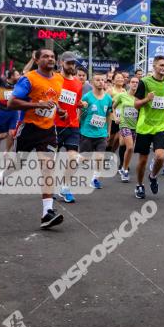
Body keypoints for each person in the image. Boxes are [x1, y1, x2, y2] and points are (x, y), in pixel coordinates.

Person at [7, 48, 66, 229]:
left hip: (47, 130)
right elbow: (11, 103)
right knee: (17, 166)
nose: (50, 59)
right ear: (37, 59)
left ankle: (47, 213)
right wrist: (36, 104)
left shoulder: (59, 79)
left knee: (48, 167)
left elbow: (52, 100)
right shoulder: (29, 79)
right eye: (46, 56)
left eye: (52, 57)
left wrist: (59, 110)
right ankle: (3, 175)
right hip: (28, 129)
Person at [133, 55, 164, 198]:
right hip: (145, 126)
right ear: (154, 66)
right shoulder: (144, 82)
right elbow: (136, 104)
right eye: (161, 65)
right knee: (143, 160)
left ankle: (153, 176)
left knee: (160, 156)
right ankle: (139, 185)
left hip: (161, 125)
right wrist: (147, 99)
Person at [56, 52, 85, 204]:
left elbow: (75, 102)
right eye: (68, 63)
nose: (71, 66)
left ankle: (65, 187)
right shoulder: (54, 79)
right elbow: (49, 98)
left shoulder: (78, 84)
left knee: (74, 159)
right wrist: (58, 111)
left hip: (72, 125)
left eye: (73, 63)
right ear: (61, 63)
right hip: (54, 125)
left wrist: (80, 105)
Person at [79, 72, 114, 189]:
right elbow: (80, 114)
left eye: (103, 80)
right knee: (85, 159)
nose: (101, 82)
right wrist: (79, 126)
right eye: (98, 80)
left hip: (101, 133)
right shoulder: (87, 97)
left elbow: (108, 115)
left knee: (100, 157)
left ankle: (94, 179)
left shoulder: (108, 98)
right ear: (92, 82)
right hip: (86, 132)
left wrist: (108, 130)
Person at [113, 76, 139, 182]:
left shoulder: (140, 98)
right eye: (133, 82)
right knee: (130, 148)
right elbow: (113, 107)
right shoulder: (122, 96)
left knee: (124, 145)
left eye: (137, 82)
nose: (134, 84)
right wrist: (115, 117)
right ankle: (125, 170)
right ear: (129, 83)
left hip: (136, 126)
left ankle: (123, 166)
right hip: (124, 124)